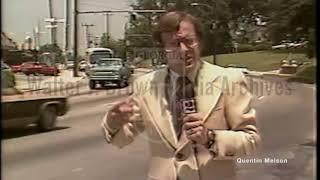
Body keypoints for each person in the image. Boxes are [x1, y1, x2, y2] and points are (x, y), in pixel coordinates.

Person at [101, 11, 261, 180]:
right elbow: (122, 139)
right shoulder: (145, 85)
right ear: (163, 48)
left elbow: (251, 140)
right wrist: (113, 122)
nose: (183, 50)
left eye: (189, 41)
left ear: (199, 42)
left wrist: (210, 138)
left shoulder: (230, 80)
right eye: (175, 43)